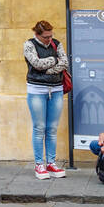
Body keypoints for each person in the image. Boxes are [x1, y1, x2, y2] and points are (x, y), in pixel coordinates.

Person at [24, 20, 70, 179]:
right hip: (36, 90)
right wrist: (54, 60)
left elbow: (65, 63)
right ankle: (39, 165)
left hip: (56, 89)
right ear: (37, 34)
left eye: (51, 36)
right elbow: (35, 63)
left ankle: (51, 162)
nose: (49, 40)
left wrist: (46, 69)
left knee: (52, 128)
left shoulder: (57, 43)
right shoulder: (29, 45)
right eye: (45, 37)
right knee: (39, 128)